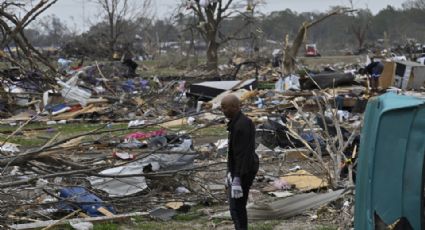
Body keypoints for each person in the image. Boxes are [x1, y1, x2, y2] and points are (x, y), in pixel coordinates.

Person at [221, 94, 259, 230]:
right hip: (241, 169)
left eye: (225, 107)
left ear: (234, 107)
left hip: (244, 170)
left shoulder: (241, 125)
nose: (223, 111)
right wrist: (229, 173)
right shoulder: (236, 123)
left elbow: (242, 154)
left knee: (237, 207)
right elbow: (234, 153)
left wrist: (237, 177)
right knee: (236, 207)